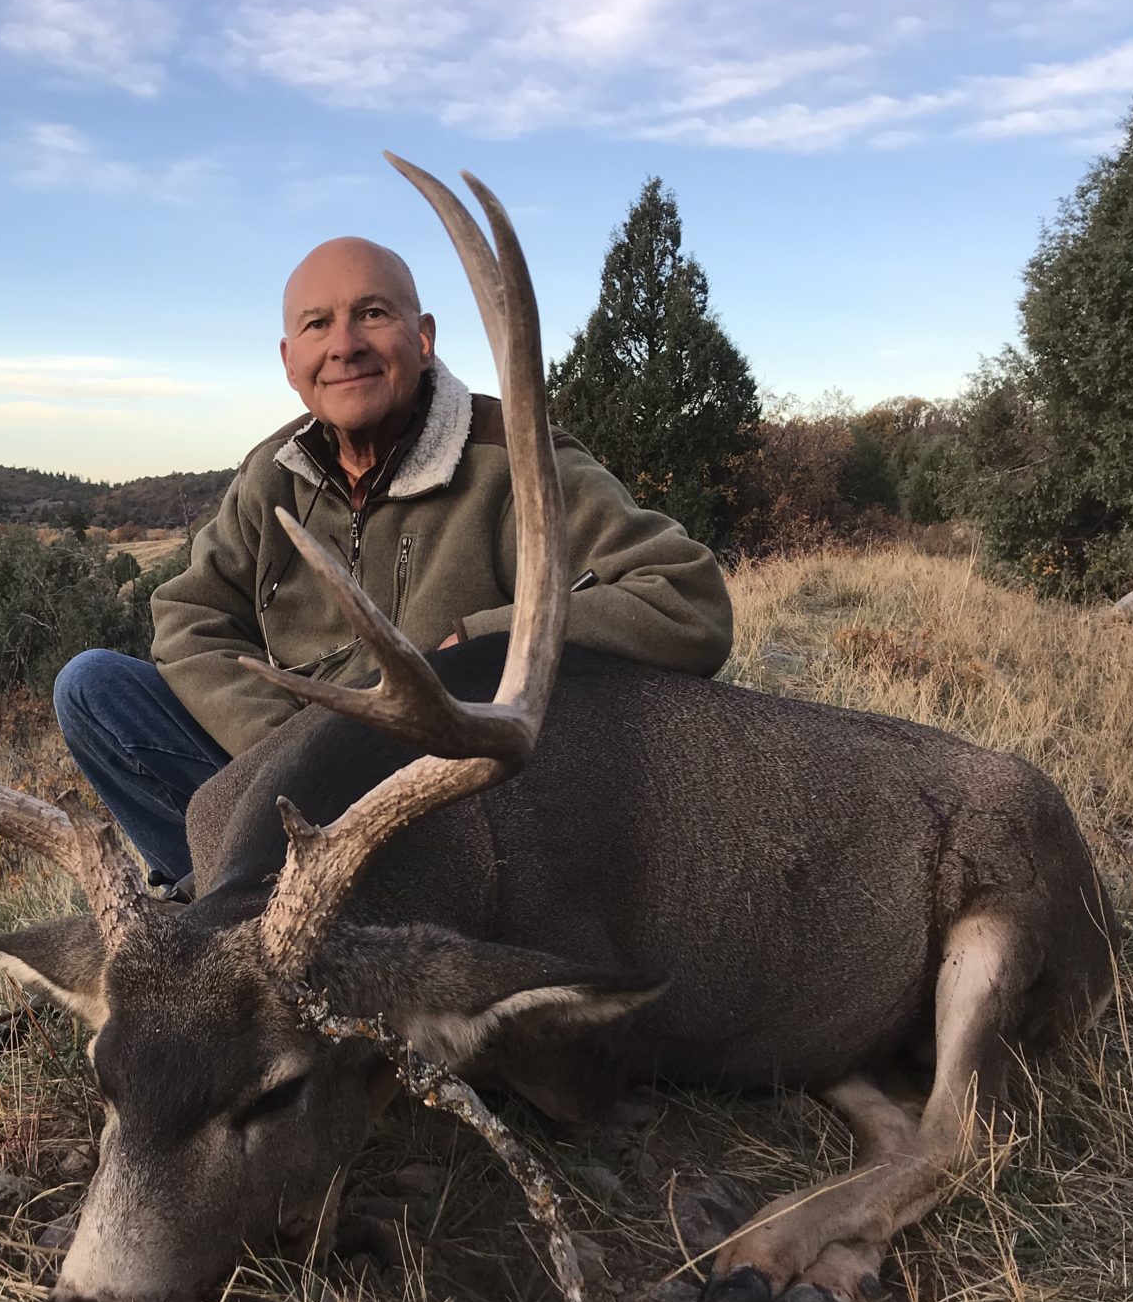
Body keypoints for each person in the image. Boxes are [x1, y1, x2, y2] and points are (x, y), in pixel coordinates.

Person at [54, 236, 734, 893]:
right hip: (290, 775)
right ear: (290, 362)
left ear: (424, 336)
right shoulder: (272, 474)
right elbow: (188, 614)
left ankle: (245, 900)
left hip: (440, 798)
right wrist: (288, 748)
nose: (344, 345)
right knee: (92, 688)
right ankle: (230, 901)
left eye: (372, 313)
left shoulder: (514, 458)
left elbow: (683, 598)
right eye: (317, 324)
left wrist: (477, 645)